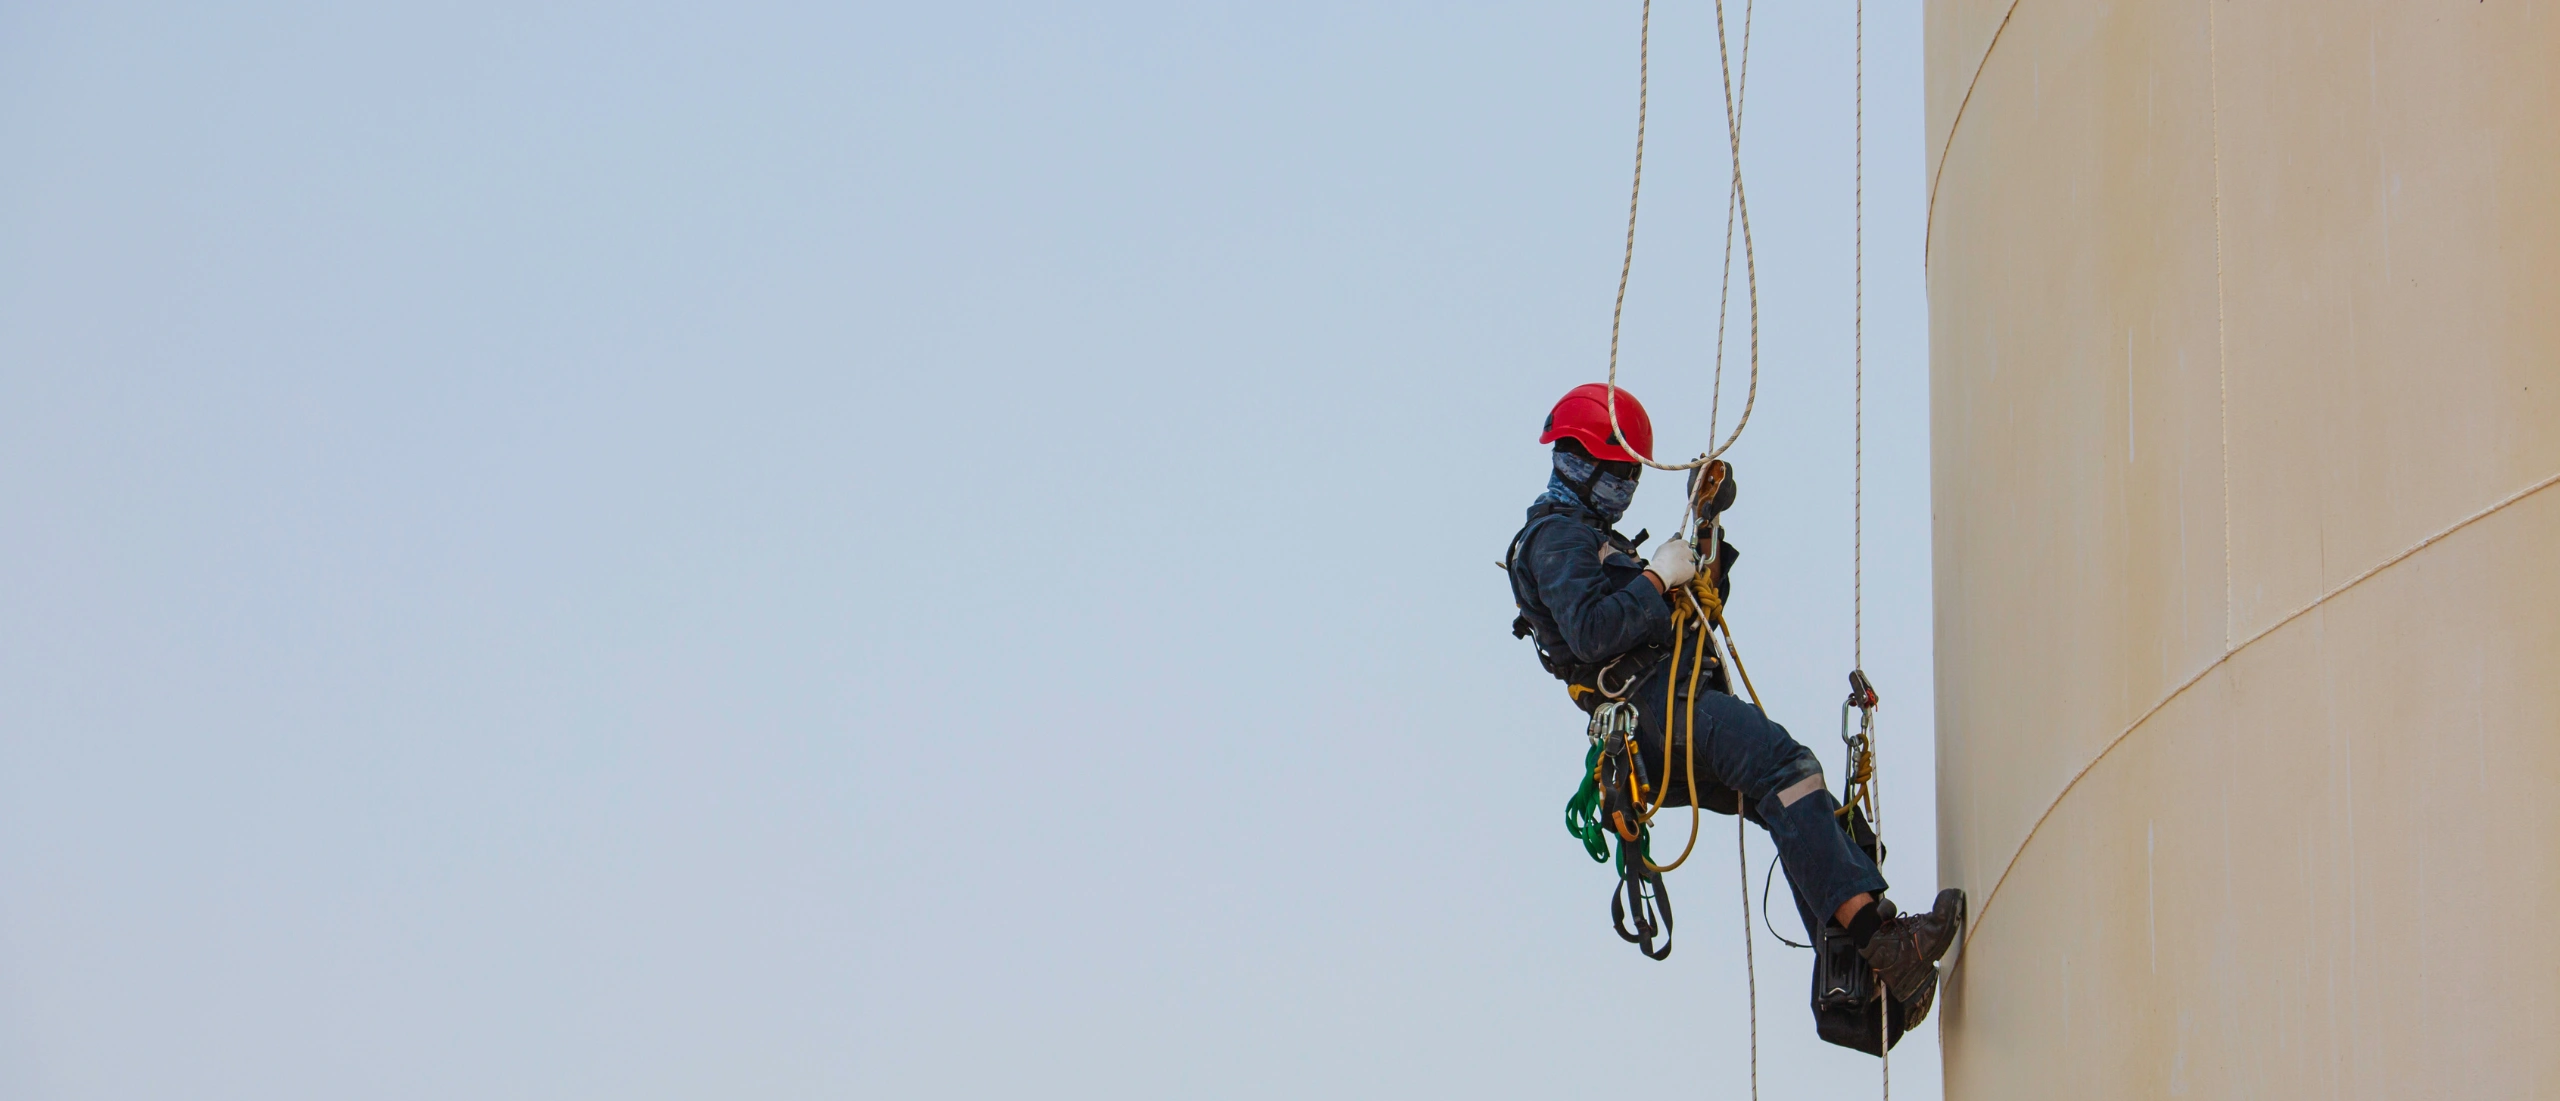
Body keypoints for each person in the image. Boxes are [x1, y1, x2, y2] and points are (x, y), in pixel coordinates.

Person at [1504, 382, 1964, 1029]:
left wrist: (1704, 526)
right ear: (1585, 463)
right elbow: (1592, 631)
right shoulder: (1554, 536)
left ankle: (1858, 994)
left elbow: (1684, 612)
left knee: (1815, 812)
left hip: (1668, 704)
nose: (1627, 483)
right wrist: (1657, 578)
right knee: (1784, 767)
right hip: (1650, 707)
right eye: (1622, 469)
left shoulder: (1595, 541)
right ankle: (1885, 945)